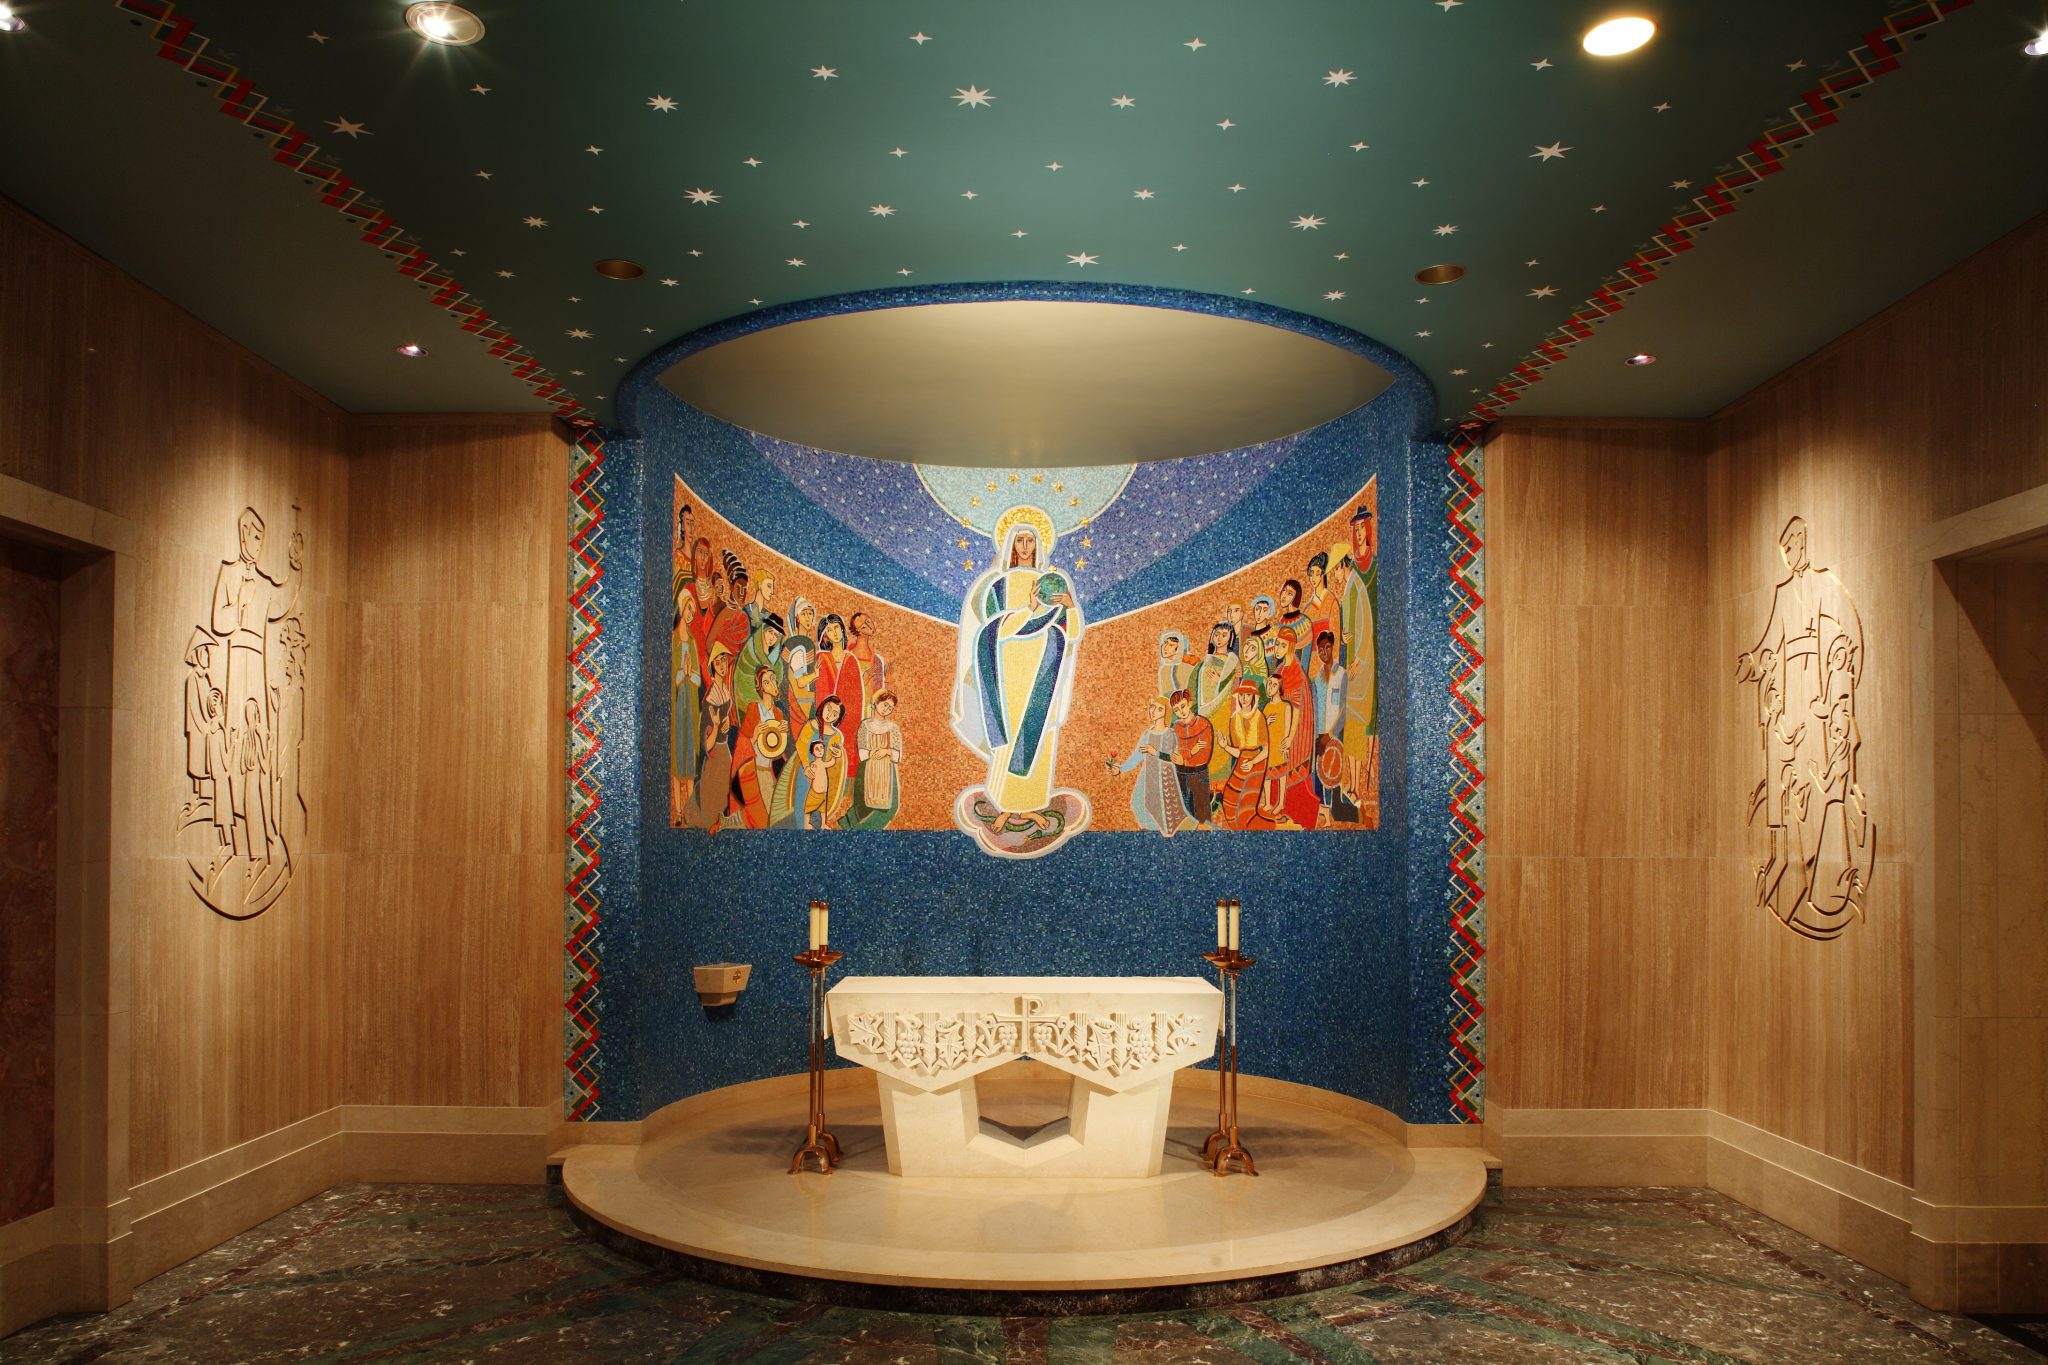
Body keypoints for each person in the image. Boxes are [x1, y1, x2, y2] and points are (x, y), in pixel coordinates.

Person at [950, 508, 1085, 836]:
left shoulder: (1053, 585)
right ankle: (1004, 803)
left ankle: (1032, 804)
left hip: (1045, 668)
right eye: (1020, 541)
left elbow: (1072, 632)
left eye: (1030, 541)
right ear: (1011, 546)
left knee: (1041, 735)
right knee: (1011, 735)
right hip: (1009, 669)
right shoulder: (999, 586)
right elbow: (993, 630)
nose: (1025, 546)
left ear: (1038, 546)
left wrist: (1069, 606)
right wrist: (1031, 609)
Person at [1107, 697, 1189, 836]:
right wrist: (1120, 769)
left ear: (1166, 713)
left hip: (1164, 776)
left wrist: (1154, 752)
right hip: (1147, 774)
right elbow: (1137, 756)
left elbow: (1173, 758)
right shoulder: (1147, 733)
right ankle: (1150, 832)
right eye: (1152, 707)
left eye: (1159, 709)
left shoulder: (1170, 734)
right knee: (1137, 802)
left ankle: (1159, 833)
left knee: (1160, 808)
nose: (1154, 711)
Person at [678, 646, 735, 832]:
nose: (722, 666)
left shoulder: (724, 688)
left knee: (725, 792)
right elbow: (707, 744)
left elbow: (726, 712)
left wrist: (727, 721)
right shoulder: (711, 698)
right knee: (713, 796)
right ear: (712, 668)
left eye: (724, 661)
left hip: (724, 749)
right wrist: (717, 727)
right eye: (717, 663)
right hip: (715, 756)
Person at [731, 665, 788, 829]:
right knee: (758, 816)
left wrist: (783, 734)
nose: (772, 683)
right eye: (766, 682)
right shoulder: (753, 709)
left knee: (770, 815)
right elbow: (742, 743)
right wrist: (755, 734)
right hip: (755, 770)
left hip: (770, 771)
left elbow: (778, 750)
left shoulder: (778, 714)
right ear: (761, 687)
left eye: (773, 679)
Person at [1216, 680, 1274, 830]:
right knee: (1228, 798)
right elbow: (1239, 752)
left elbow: (1266, 751)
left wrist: (1252, 762)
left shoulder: (1259, 717)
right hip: (1242, 762)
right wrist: (1225, 746)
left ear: (1253, 697)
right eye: (1242, 695)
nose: (1244, 698)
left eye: (1248, 695)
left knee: (1245, 805)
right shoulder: (1234, 719)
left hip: (1257, 763)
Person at [845, 690, 903, 830]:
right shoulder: (865, 726)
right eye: (885, 704)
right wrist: (873, 753)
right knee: (862, 806)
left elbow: (897, 755)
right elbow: (862, 753)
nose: (887, 709)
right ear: (876, 702)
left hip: (887, 772)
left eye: (890, 708)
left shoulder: (893, 728)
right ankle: (848, 827)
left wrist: (886, 751)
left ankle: (859, 831)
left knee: (889, 808)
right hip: (867, 770)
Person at [1192, 622, 1241, 787]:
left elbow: (1237, 684)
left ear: (1230, 638)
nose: (1219, 638)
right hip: (1205, 710)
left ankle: (1220, 787)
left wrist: (1219, 681)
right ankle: (1207, 785)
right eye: (1217, 634)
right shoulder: (1206, 661)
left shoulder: (1232, 661)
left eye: (1224, 635)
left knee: (1221, 743)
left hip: (1224, 708)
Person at [814, 613, 865, 752]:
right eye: (829, 630)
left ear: (842, 629)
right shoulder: (821, 658)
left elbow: (857, 699)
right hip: (824, 717)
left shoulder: (851, 660)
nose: (834, 633)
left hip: (847, 719)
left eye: (836, 627)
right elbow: (818, 693)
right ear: (825, 636)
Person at [1168, 689, 1215, 828]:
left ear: (1189, 703)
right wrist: (1191, 752)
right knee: (1184, 817)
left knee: (1202, 817)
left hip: (1198, 774)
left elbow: (1204, 755)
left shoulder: (1203, 724)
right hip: (1180, 774)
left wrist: (1184, 759)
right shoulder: (1176, 727)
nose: (1181, 711)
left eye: (1182, 706)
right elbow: (1174, 751)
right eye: (1176, 710)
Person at [848, 610, 888, 703]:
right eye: (863, 626)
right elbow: (845, 688)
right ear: (857, 630)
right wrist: (862, 682)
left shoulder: (877, 660)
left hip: (872, 706)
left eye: (868, 621)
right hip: (856, 705)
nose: (869, 626)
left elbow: (879, 691)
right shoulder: (849, 656)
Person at [1156, 630, 1193, 698]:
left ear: (1178, 649)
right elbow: (1164, 696)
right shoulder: (1163, 670)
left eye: (1171, 645)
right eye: (1165, 643)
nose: (1165, 647)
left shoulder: (1187, 668)